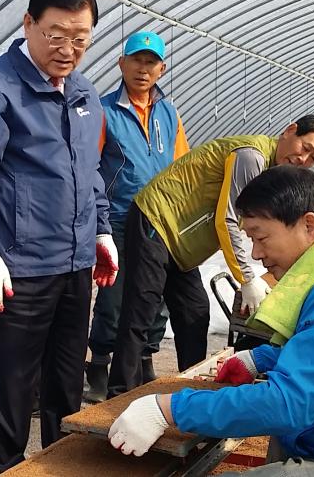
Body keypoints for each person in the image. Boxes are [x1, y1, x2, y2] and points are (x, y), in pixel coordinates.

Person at [108, 165, 314, 476]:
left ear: (308, 225)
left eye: (260, 237)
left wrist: (168, 409)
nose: (255, 253)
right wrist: (258, 358)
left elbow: (288, 405)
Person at [0, 0, 117, 476]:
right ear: (29, 24)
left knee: (66, 381)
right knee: (8, 381)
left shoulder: (85, 93)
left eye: (80, 40)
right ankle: (2, 467)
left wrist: (101, 231)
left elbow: (90, 175)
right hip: (17, 268)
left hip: (74, 265)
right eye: (56, 36)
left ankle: (64, 466)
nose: (68, 50)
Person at [108, 115, 314, 397]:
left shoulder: (272, 175)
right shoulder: (251, 157)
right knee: (140, 312)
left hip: (182, 241)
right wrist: (247, 278)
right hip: (158, 220)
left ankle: (190, 393)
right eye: (305, 147)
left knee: (194, 312)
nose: (304, 159)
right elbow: (228, 221)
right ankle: (118, 397)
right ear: (290, 130)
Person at [85, 30, 191, 403]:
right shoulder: (103, 111)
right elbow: (91, 167)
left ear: (161, 69)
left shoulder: (169, 112)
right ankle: (99, 362)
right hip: (117, 216)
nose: (143, 69)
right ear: (121, 64)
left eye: (151, 62)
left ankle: (144, 357)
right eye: (136, 60)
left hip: (158, 219)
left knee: (154, 293)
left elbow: (181, 166)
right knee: (114, 295)